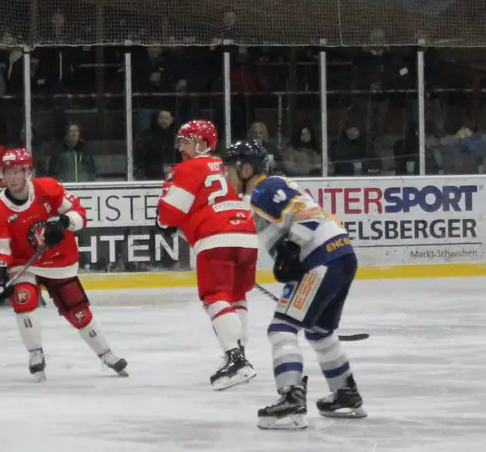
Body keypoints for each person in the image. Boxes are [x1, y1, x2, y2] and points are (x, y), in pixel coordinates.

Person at [223, 140, 366, 429]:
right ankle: (345, 394)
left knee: (281, 328)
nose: (226, 177)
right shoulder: (261, 192)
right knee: (318, 331)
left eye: (229, 170)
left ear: (247, 168)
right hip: (339, 254)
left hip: (321, 258)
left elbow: (307, 213)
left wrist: (292, 246)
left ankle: (291, 401)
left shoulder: (264, 188)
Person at [0, 149, 127, 381]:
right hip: (25, 265)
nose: (12, 178)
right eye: (7, 172)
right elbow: (0, 248)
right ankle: (35, 354)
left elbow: (80, 214)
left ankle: (106, 353)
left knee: (78, 311)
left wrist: (64, 223)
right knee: (23, 299)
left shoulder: (48, 188)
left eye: (17, 171)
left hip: (59, 260)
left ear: (28, 172)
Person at [155, 120, 260, 390]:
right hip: (247, 234)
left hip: (215, 237)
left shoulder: (187, 168)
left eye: (186, 141)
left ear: (201, 143)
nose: (181, 146)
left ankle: (235, 359)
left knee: (215, 296)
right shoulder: (228, 167)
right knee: (237, 295)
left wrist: (166, 222)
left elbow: (168, 216)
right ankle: (240, 353)